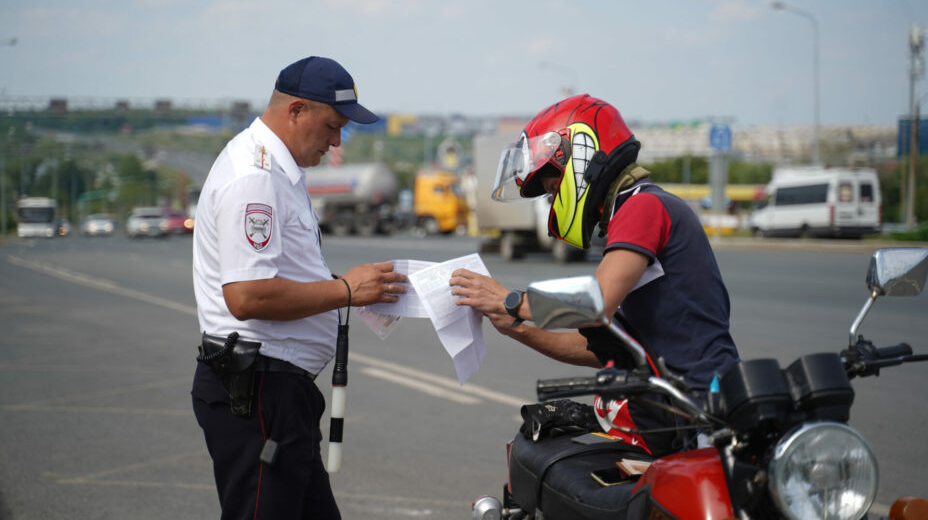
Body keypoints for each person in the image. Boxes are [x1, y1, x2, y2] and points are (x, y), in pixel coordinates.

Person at [450, 94, 739, 456]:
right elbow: (600, 347)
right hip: (675, 409)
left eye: (553, 187)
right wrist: (517, 329)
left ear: (584, 157)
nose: (553, 199)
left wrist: (512, 302)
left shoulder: (643, 206)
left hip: (703, 414)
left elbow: (594, 303)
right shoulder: (626, 214)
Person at [191, 55, 407, 520]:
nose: (336, 141)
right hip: (259, 393)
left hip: (279, 394)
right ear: (296, 111)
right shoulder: (256, 178)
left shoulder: (278, 171)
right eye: (332, 126)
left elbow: (280, 275)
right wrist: (345, 291)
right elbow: (247, 296)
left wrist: (353, 289)